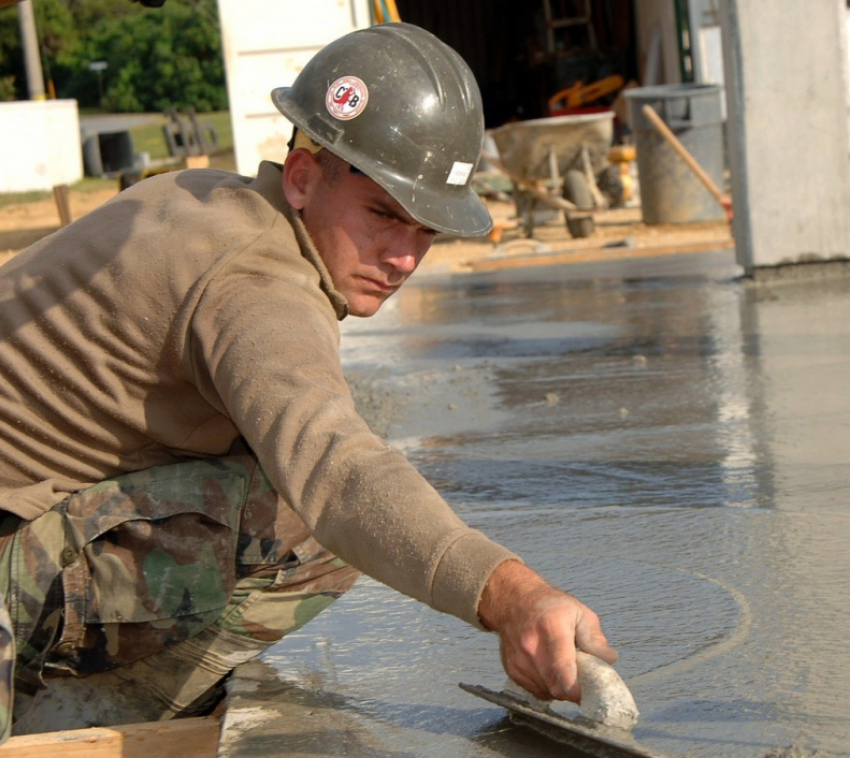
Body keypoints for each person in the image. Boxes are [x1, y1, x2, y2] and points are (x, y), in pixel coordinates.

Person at [0, 22, 616, 740]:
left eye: (426, 230)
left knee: (266, 469)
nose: (403, 257)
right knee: (306, 525)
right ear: (301, 176)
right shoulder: (256, 286)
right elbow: (340, 472)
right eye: (385, 215)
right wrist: (511, 595)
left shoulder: (204, 197)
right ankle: (85, 710)